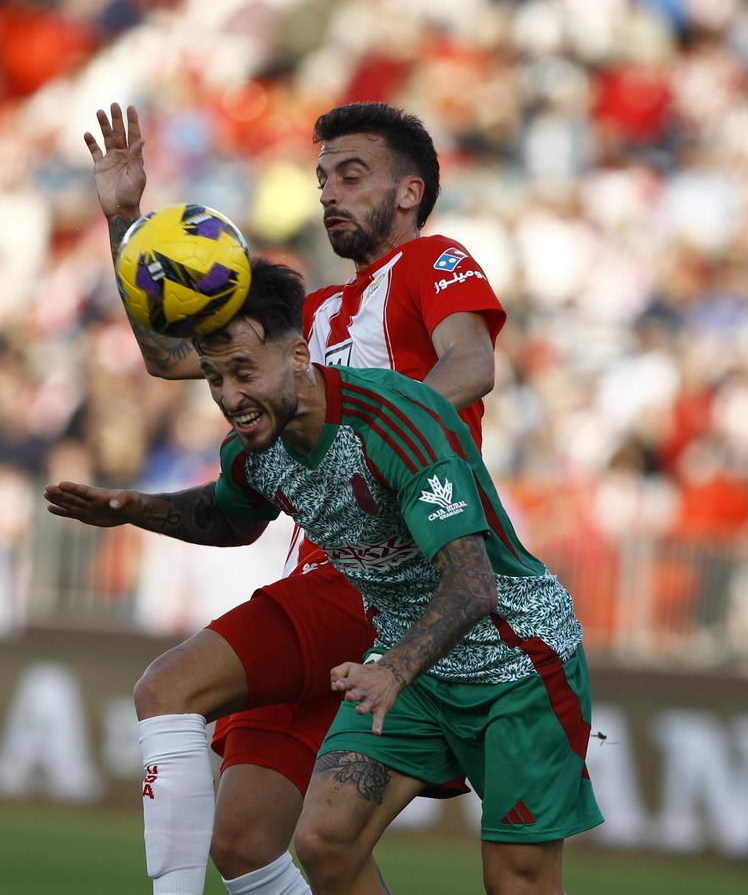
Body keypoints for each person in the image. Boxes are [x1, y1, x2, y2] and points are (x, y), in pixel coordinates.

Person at [45, 260, 601, 895]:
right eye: (214, 379)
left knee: (518, 884)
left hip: (517, 665)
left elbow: (474, 584)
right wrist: (133, 509)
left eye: (245, 373)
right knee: (324, 840)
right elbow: (229, 518)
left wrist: (391, 669)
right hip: (413, 669)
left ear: (300, 355)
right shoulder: (256, 447)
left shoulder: (394, 422)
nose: (230, 398)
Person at [83, 102, 505, 895]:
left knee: (169, 688)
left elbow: (472, 364)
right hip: (322, 576)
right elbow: (169, 355)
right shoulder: (309, 316)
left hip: (387, 566)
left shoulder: (432, 263)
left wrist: (380, 441)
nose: (329, 193)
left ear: (410, 192)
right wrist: (126, 219)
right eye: (322, 179)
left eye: (352, 174)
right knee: (246, 841)